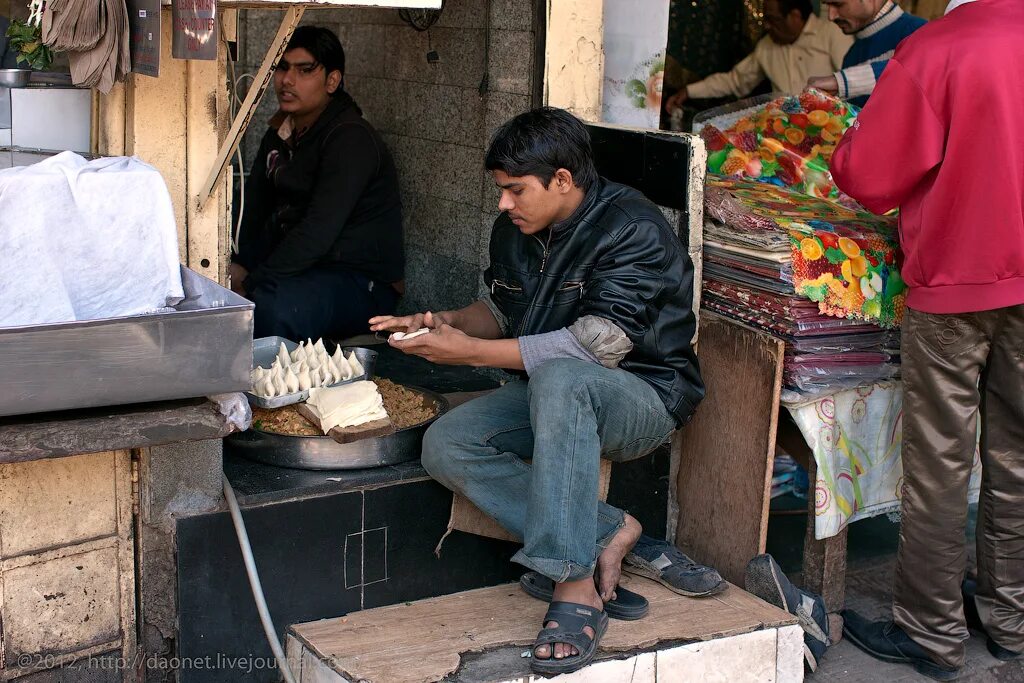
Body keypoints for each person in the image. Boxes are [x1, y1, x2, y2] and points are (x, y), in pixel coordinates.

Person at [370, 107, 705, 675]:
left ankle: (574, 587)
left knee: (562, 374)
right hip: (557, 394)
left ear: (563, 180)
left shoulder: (633, 227)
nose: (504, 204)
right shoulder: (518, 228)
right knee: (447, 443)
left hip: (644, 396)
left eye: (515, 191)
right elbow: (502, 311)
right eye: (501, 191)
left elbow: (593, 350)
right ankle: (608, 528)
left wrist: (469, 354)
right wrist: (440, 323)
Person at [830, 1, 1024, 679]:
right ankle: (1011, 618)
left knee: (941, 463)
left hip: (957, 282)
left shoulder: (939, 47)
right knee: (1019, 453)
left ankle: (934, 633)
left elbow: (868, 176)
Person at [231, 26, 404, 342]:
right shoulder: (280, 132)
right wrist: (236, 264)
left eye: (304, 70)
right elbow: (253, 206)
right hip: (298, 270)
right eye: (282, 67)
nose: (287, 80)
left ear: (332, 81)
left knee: (272, 308)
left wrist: (254, 281)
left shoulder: (351, 139)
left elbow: (318, 230)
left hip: (359, 282)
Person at [665, 0, 851, 113]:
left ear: (795, 16)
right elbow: (735, 80)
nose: (767, 26)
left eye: (772, 19)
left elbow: (851, 82)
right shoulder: (766, 46)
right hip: (782, 135)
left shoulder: (831, 34)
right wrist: (689, 91)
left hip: (827, 131)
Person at [807, 0, 926, 107]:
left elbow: (913, 72)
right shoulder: (851, 56)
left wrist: (841, 82)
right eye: (827, 5)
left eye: (838, 4)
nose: (831, 16)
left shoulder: (920, 33)